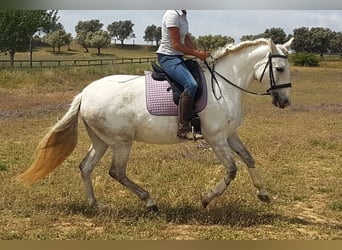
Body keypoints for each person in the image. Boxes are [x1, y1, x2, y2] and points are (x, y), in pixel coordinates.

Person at [156, 10, 210, 140]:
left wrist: (198, 51)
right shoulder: (172, 15)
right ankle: (183, 129)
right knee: (191, 84)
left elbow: (185, 39)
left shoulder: (183, 15)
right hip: (167, 58)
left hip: (178, 57)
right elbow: (176, 44)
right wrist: (197, 54)